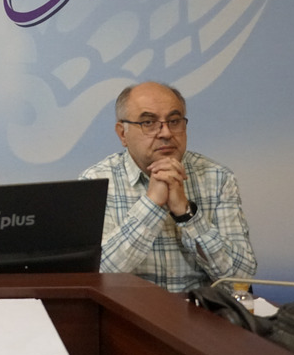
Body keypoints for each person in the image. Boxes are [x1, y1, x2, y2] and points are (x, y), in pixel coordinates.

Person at [79, 81, 256, 293]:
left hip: (199, 310)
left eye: (174, 121)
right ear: (122, 134)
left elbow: (241, 279)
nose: (165, 133)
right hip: (129, 310)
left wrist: (187, 215)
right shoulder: (97, 181)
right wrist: (152, 205)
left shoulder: (217, 178)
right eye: (148, 123)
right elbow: (96, 275)